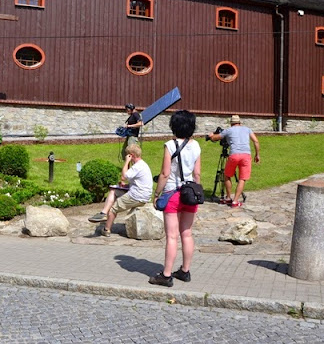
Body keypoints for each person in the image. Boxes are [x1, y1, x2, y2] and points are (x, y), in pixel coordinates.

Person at [149, 110, 201, 287]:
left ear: (174, 126)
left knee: (172, 236)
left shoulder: (169, 145)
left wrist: (156, 194)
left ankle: (166, 274)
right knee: (187, 233)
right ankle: (185, 271)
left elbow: (165, 173)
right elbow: (197, 174)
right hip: (190, 193)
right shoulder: (196, 146)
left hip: (172, 193)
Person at [88, 144, 152, 237]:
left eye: (127, 155)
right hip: (142, 194)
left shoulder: (137, 166)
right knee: (114, 191)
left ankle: (106, 229)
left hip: (137, 196)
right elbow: (136, 181)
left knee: (114, 209)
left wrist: (127, 162)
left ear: (131, 155)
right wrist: (125, 186)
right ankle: (103, 213)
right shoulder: (143, 164)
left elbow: (123, 176)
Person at [208, 114, 260, 208]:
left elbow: (216, 138)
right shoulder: (247, 129)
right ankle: (235, 201)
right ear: (240, 122)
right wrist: (257, 154)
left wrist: (211, 135)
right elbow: (256, 141)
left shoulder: (228, 130)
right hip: (246, 156)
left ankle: (228, 197)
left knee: (227, 175)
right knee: (242, 178)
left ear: (231, 123)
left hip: (234, 155)